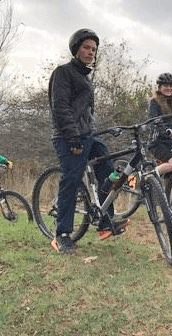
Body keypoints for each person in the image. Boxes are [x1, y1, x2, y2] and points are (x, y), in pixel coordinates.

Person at [48, 28, 128, 255]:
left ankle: (105, 222)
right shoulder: (63, 72)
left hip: (89, 134)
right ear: (76, 48)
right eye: (86, 47)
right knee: (71, 181)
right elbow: (60, 108)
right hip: (68, 136)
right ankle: (62, 235)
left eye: (94, 49)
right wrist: (73, 136)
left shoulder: (84, 76)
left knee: (110, 171)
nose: (90, 52)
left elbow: (86, 111)